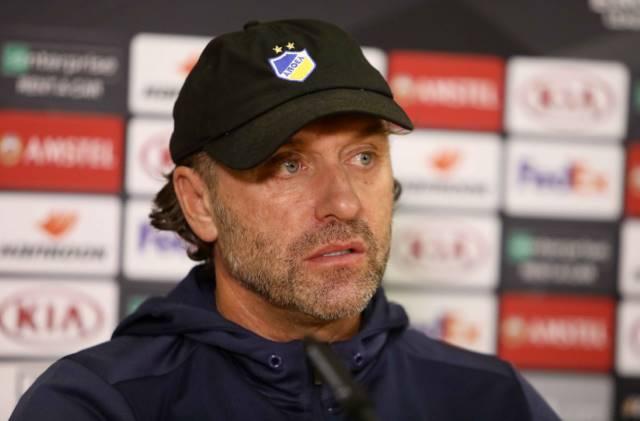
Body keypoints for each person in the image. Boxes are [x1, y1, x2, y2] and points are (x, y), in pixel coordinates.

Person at [11, 19, 560, 421]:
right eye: (288, 164)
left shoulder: (489, 399)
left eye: (363, 157)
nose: (344, 203)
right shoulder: (101, 404)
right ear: (200, 203)